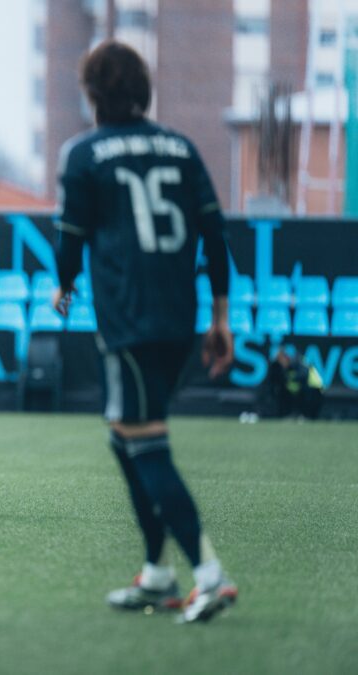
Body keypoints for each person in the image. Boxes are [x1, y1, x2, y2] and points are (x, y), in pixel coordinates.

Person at [51, 40, 237, 622]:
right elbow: (214, 235)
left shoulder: (84, 152)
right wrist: (221, 317)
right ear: (144, 90)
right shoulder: (182, 148)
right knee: (122, 434)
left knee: (145, 440)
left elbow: (70, 240)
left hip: (129, 320)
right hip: (180, 319)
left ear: (93, 95)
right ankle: (158, 573)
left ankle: (209, 574)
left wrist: (64, 283)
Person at [261, 346, 324, 419]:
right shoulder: (285, 367)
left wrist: (292, 378)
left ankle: (304, 415)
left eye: (281, 359)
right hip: (306, 388)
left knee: (303, 396)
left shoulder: (297, 362)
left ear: (286, 358)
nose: (280, 362)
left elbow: (304, 376)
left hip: (314, 388)